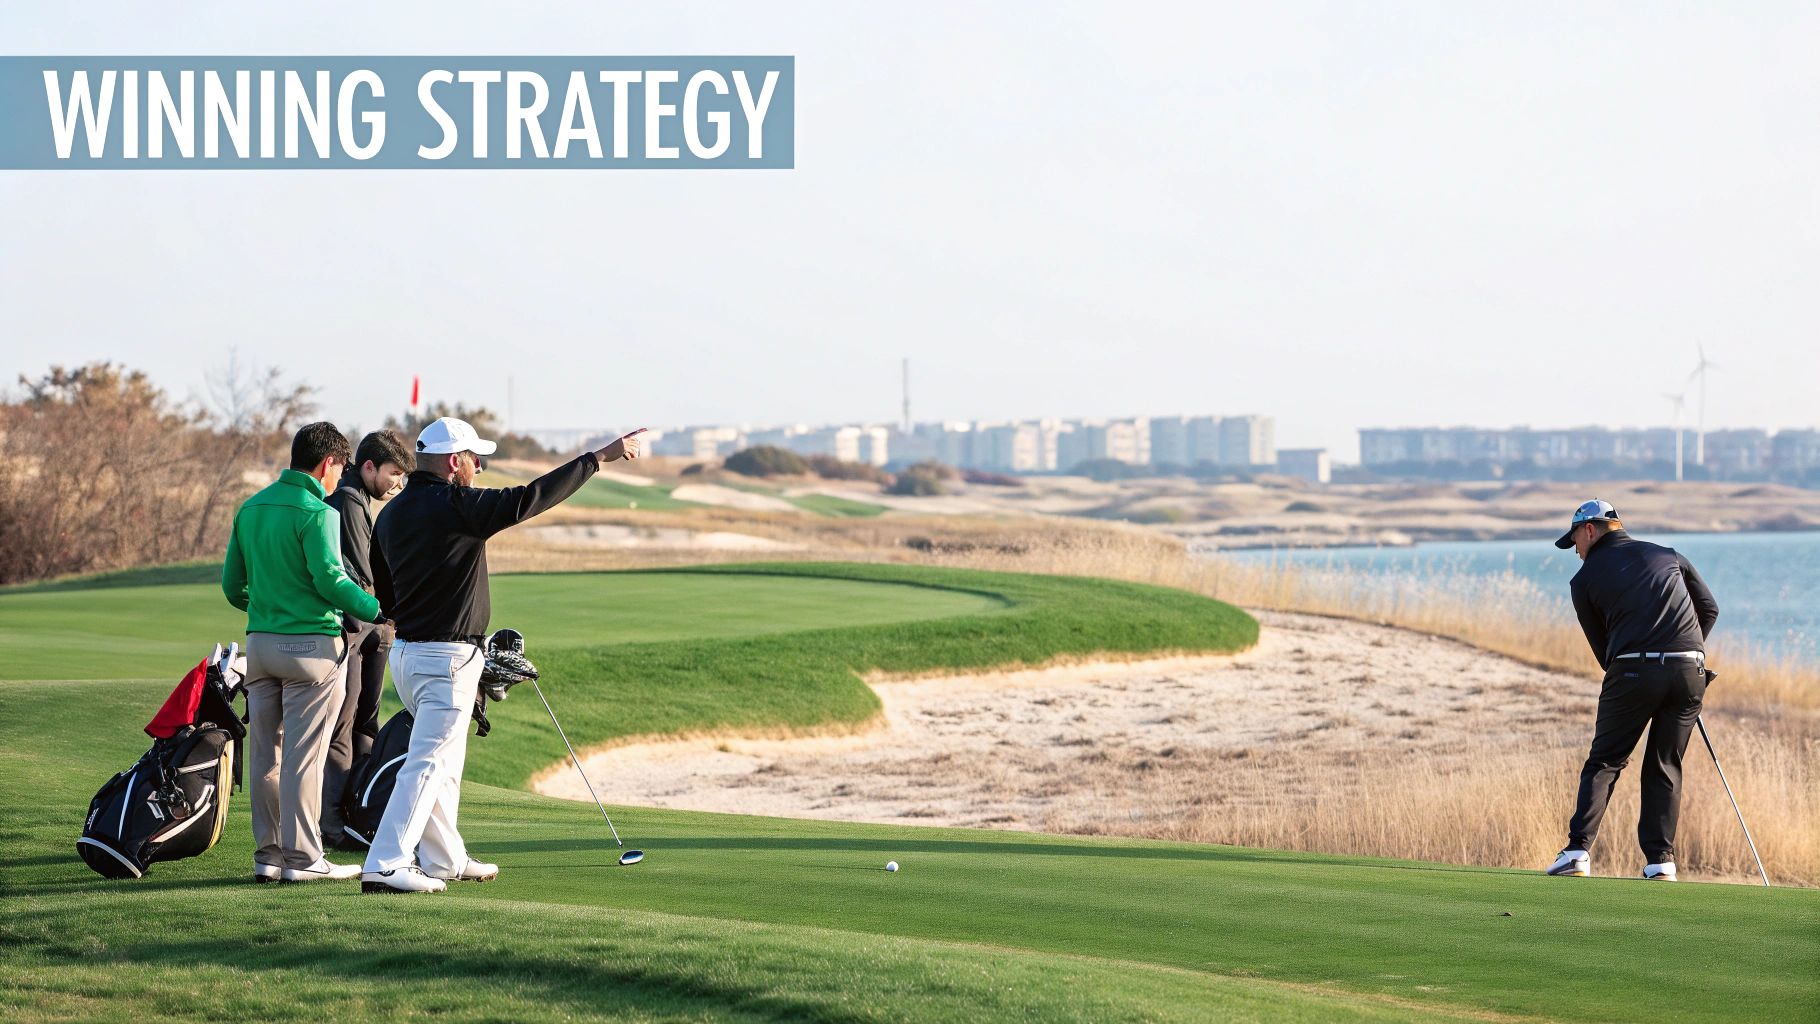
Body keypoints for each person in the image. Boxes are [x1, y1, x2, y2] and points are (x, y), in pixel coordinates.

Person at [360, 418, 646, 894]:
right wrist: (598, 458)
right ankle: (386, 863)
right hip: (446, 658)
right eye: (476, 459)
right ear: (455, 463)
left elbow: (384, 590)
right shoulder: (459, 505)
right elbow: (530, 498)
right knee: (429, 763)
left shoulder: (391, 514)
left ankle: (444, 857)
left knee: (444, 763)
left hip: (408, 656)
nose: (479, 468)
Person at [221, 422, 385, 884]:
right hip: (311, 649)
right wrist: (377, 609)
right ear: (327, 463)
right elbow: (331, 580)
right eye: (340, 468)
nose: (339, 480)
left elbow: (233, 586)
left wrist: (269, 610)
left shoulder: (251, 508)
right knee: (303, 757)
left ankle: (268, 856)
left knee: (265, 757)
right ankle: (305, 858)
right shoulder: (319, 512)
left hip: (261, 647)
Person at [1545, 499, 1719, 882]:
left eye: (1575, 539)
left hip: (1631, 670)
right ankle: (1661, 862)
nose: (1576, 550)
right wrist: (1685, 656)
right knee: (1665, 763)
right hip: (1691, 668)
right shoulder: (1669, 555)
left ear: (1589, 530)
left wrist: (1640, 666)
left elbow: (1603, 649)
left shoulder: (1584, 580)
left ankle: (1577, 852)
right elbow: (1709, 609)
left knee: (1605, 761)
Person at [317, 429, 412, 849]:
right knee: (348, 724)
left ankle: (356, 811)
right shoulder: (349, 501)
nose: (398, 483)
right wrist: (388, 615)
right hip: (357, 630)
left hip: (371, 629)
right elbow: (358, 577)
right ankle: (334, 820)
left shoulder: (356, 499)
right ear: (369, 466)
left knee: (361, 722)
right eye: (394, 474)